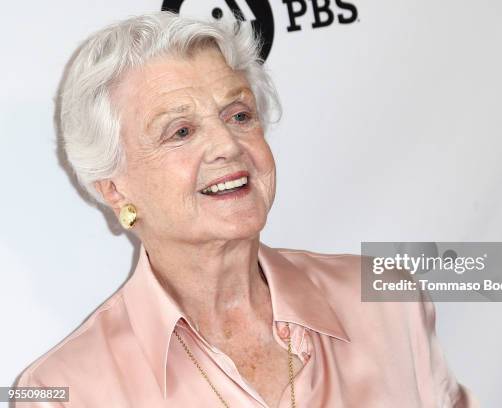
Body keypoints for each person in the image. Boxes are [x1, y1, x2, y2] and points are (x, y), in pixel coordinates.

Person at [16, 11, 477, 407]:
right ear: (114, 189)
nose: (226, 146)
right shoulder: (66, 390)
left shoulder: (386, 304)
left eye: (239, 116)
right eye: (180, 132)